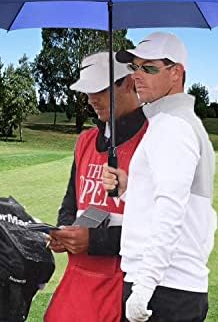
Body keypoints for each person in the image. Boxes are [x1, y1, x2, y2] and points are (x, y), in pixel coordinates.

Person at [103, 32, 217, 322]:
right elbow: (177, 201)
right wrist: (128, 189)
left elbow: (170, 209)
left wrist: (144, 286)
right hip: (170, 287)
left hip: (163, 289)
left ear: (176, 73)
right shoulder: (174, 123)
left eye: (149, 68)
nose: (137, 76)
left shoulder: (172, 127)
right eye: (135, 67)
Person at [44, 51, 148, 322]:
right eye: (88, 91)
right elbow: (71, 203)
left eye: (100, 89)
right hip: (78, 279)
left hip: (124, 284)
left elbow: (157, 229)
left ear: (128, 83)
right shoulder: (85, 141)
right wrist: (64, 232)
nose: (91, 99)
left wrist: (94, 241)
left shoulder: (152, 140)